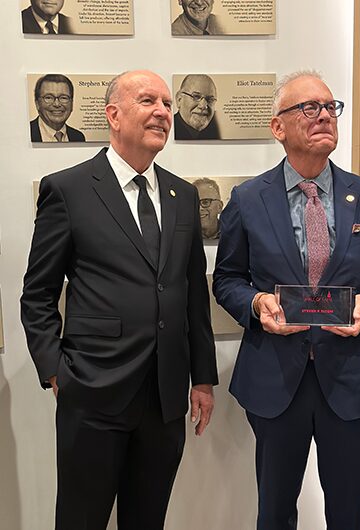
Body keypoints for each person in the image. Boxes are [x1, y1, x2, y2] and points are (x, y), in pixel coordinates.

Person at [21, 70, 218, 530]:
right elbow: (38, 293)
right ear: (113, 114)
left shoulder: (183, 195)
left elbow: (193, 297)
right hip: (92, 394)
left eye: (168, 104)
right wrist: (56, 370)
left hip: (165, 398)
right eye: (148, 100)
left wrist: (203, 379)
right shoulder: (68, 190)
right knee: (80, 520)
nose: (163, 113)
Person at [213, 71, 360, 530]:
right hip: (276, 381)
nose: (324, 116)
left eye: (330, 106)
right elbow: (227, 280)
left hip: (349, 380)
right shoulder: (247, 198)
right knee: (275, 512)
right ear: (277, 127)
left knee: (348, 513)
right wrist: (257, 304)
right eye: (309, 108)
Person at [30, 74, 85, 143]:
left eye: (63, 98)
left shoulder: (78, 137)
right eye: (49, 97)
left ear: (72, 103)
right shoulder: (26, 133)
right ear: (37, 103)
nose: (57, 104)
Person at [174, 74, 220, 140]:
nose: (203, 106)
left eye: (210, 99)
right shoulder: (170, 129)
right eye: (196, 97)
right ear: (179, 99)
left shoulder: (216, 130)